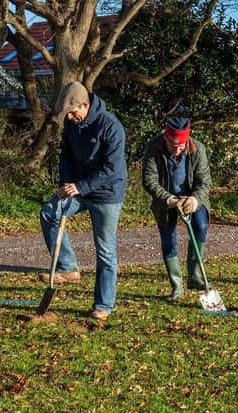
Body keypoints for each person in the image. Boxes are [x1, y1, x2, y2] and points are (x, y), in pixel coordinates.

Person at [39, 81, 127, 321]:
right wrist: (65, 184)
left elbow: (112, 169)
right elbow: (65, 156)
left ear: (86, 105)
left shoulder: (111, 127)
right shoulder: (71, 123)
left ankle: (103, 305)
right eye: (66, 113)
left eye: (73, 111)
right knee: (49, 213)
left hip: (107, 194)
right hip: (78, 189)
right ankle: (68, 268)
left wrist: (80, 186)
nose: (69, 117)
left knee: (105, 250)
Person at [142, 117, 212, 300]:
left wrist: (195, 200)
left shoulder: (198, 149)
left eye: (181, 146)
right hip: (165, 200)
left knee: (200, 228)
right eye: (174, 146)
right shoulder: (153, 147)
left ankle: (195, 277)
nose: (178, 149)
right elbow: (149, 180)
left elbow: (204, 182)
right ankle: (177, 286)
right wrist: (170, 200)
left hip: (192, 198)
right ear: (166, 138)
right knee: (168, 240)